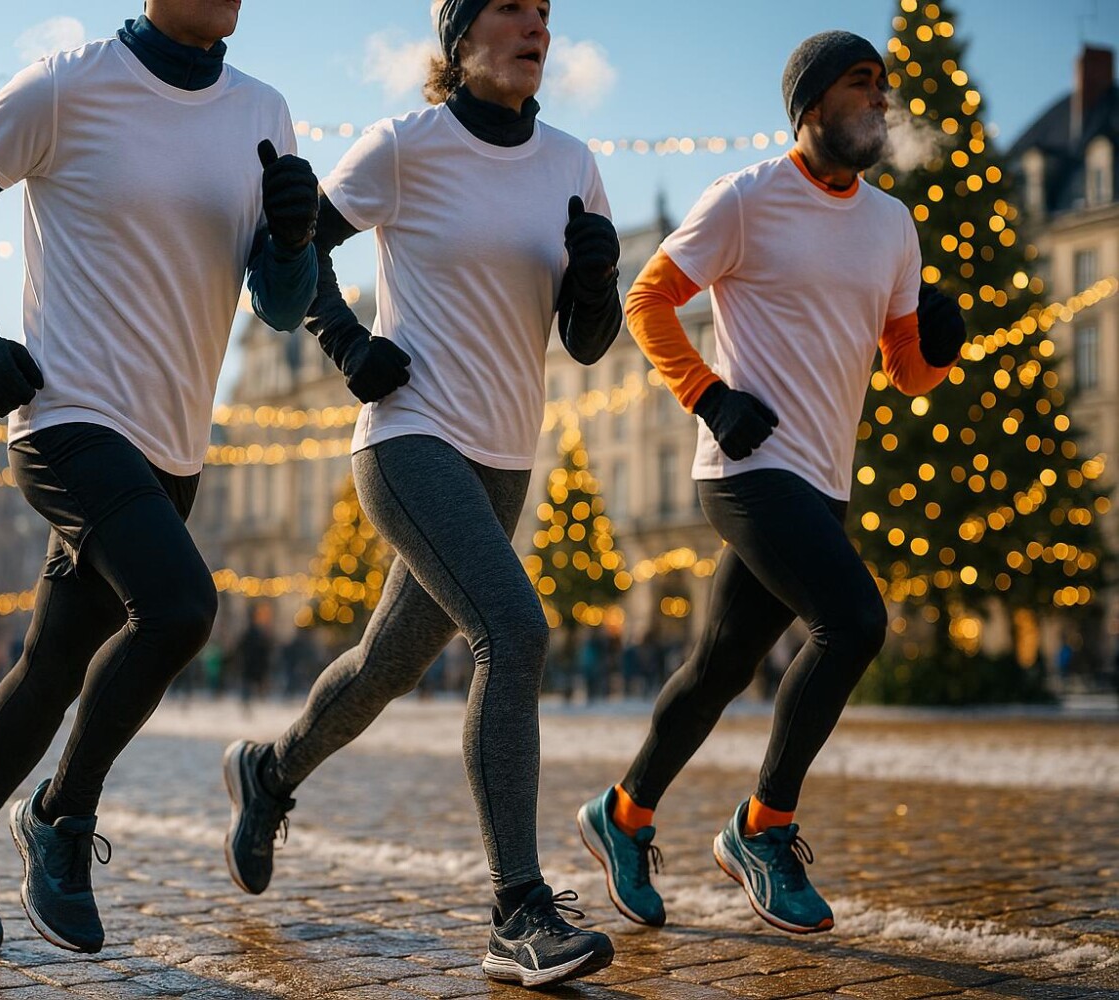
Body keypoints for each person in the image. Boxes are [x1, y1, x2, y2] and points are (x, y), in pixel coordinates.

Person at [0, 0, 319, 955]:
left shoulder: (265, 112)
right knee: (180, 609)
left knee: (52, 669)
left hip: (174, 448)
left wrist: (292, 244)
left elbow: (280, 306)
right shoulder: (68, 84)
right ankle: (60, 814)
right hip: (65, 418)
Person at [222, 0, 621, 987]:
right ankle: (517, 909)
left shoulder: (573, 164)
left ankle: (268, 773)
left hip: (504, 459)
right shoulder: (407, 144)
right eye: (510, 9)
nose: (536, 26)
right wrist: (347, 342)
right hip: (407, 440)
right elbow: (291, 249)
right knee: (515, 634)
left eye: (544, 12)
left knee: (380, 668)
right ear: (458, 41)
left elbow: (585, 340)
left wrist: (599, 282)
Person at [576, 31, 967, 936]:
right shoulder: (747, 198)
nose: (880, 100)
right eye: (861, 84)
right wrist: (709, 397)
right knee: (854, 622)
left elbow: (906, 372)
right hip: (746, 469)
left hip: (824, 479)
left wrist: (939, 348)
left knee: (718, 669)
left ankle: (622, 815)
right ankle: (764, 827)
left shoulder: (891, 224)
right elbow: (647, 300)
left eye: (884, 88)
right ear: (811, 102)